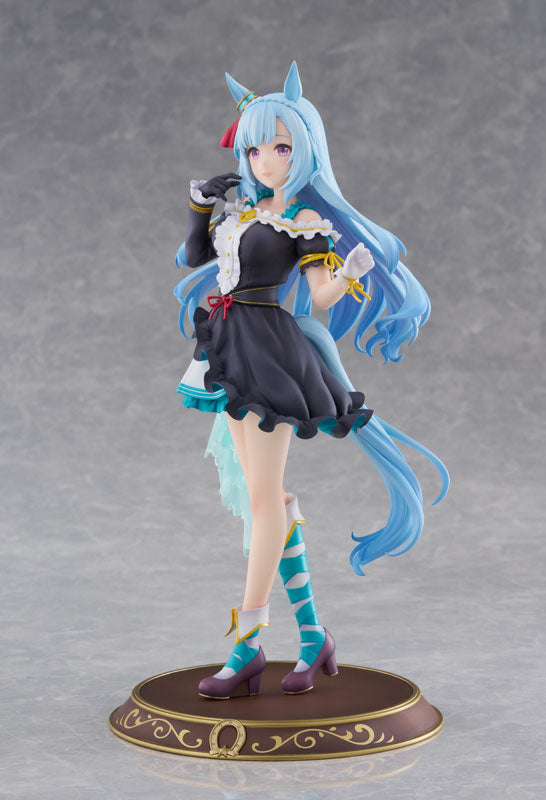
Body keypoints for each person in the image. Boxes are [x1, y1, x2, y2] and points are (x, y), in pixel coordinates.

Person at [174, 62, 449, 699]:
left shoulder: (305, 224)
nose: (266, 160)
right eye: (255, 149)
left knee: (263, 502)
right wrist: (199, 205)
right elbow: (194, 256)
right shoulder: (241, 213)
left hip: (268, 351)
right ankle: (314, 637)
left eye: (280, 148)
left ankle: (247, 645)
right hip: (228, 345)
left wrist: (349, 272)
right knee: (267, 499)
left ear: (304, 151)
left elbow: (320, 293)